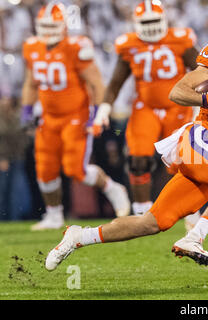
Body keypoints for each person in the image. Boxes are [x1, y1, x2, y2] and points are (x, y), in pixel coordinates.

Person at [44, 15, 208, 271]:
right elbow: (178, 92)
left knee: (153, 222)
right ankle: (194, 237)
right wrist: (207, 100)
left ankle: (79, 236)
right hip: (202, 138)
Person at [21, 2, 130, 230]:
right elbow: (32, 83)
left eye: (53, 26)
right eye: (45, 26)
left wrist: (98, 114)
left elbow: (96, 83)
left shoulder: (76, 47)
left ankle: (112, 188)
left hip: (76, 116)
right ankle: (53, 215)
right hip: (48, 117)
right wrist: (27, 109)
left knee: (75, 169)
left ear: (63, 26)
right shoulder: (32, 47)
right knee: (45, 168)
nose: (49, 31)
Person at [91, 0, 200, 224]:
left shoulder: (181, 39)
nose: (150, 26)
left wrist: (201, 104)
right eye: (146, 22)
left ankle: (190, 211)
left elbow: (201, 73)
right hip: (146, 107)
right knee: (137, 159)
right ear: (136, 23)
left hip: (178, 107)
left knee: (185, 163)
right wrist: (104, 109)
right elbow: (115, 83)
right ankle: (142, 212)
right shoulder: (129, 44)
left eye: (154, 21)